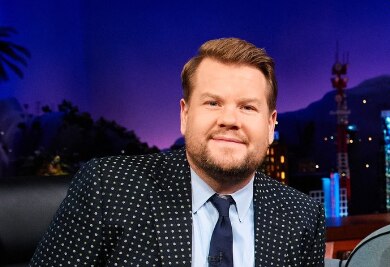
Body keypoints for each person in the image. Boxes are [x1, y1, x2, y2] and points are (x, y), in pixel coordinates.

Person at [30, 38, 325, 266]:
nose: (230, 120)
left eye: (247, 107)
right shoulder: (108, 188)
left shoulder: (301, 215)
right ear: (185, 115)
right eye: (213, 103)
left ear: (271, 124)